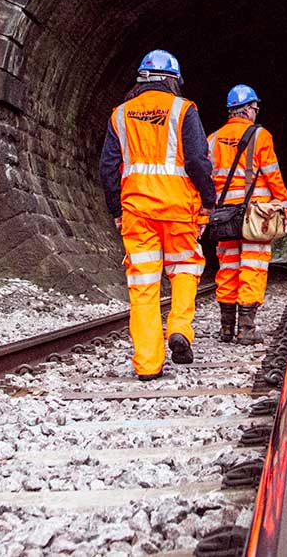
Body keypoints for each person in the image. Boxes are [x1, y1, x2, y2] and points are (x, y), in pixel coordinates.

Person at [100, 50, 217, 380]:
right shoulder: (184, 109)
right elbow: (197, 160)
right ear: (174, 80)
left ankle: (148, 364)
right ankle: (179, 328)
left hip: (137, 211)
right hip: (179, 207)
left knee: (144, 286)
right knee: (184, 270)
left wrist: (115, 209)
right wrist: (208, 200)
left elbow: (107, 167)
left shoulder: (119, 115)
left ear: (140, 79)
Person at [206, 84, 287, 345]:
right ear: (249, 110)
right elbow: (272, 174)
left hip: (224, 218)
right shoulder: (260, 136)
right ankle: (246, 329)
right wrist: (284, 205)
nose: (256, 112)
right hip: (255, 216)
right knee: (252, 267)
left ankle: (226, 328)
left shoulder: (212, 139)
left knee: (228, 268)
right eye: (255, 107)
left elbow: (206, 179)